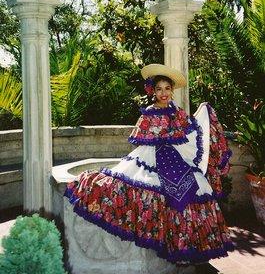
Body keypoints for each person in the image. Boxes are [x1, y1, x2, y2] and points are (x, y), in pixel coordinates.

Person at [64, 63, 234, 267]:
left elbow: (190, 133)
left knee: (197, 186)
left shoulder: (178, 112)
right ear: (153, 91)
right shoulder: (149, 113)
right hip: (151, 156)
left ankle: (185, 248)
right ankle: (168, 243)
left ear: (172, 91)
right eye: (159, 89)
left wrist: (204, 114)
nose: (163, 93)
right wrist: (163, 137)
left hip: (176, 157)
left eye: (167, 89)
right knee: (141, 186)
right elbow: (142, 138)